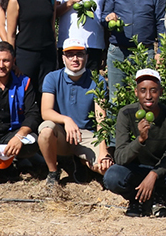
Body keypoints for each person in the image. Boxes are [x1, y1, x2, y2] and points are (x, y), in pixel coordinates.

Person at [104, 68, 166, 217]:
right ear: (136, 92)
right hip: (135, 169)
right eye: (143, 90)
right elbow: (120, 158)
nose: (148, 96)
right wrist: (140, 140)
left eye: (153, 90)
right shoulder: (126, 114)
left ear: (161, 92)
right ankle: (136, 199)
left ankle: (160, 196)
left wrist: (154, 174)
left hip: (163, 170)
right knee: (112, 177)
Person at [38, 39, 113, 190]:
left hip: (87, 135)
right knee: (45, 130)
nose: (75, 59)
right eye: (70, 55)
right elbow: (46, 112)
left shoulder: (97, 80)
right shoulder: (52, 78)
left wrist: (104, 150)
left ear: (86, 56)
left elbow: (101, 118)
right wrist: (66, 120)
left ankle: (81, 162)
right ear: (63, 57)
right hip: (62, 133)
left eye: (79, 54)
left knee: (105, 167)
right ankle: (53, 172)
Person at [103, 0, 166, 101]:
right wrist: (108, 18)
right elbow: (103, 18)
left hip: (145, 52)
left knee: (145, 97)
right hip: (118, 52)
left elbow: (161, 24)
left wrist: (161, 52)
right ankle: (116, 125)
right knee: (116, 97)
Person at [6, 0, 57, 93]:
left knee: (47, 93)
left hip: (48, 55)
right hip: (25, 55)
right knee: (25, 93)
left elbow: (52, 29)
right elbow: (10, 34)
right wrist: (12, 60)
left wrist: (55, 54)